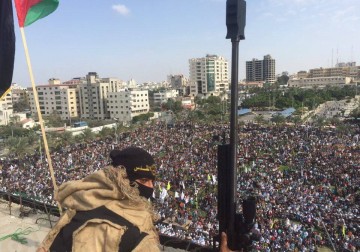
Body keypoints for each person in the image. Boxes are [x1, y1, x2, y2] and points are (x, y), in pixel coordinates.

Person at [37, 146, 160, 252]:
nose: (150, 187)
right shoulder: (131, 230)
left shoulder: (83, 200)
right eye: (144, 180)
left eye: (152, 181)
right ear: (123, 178)